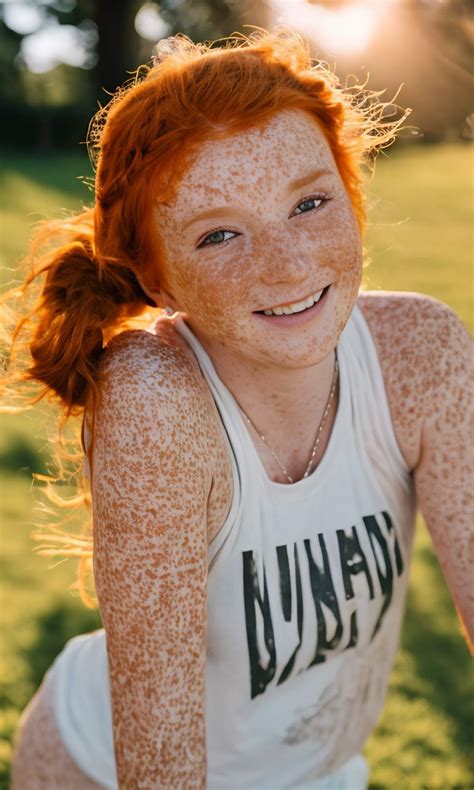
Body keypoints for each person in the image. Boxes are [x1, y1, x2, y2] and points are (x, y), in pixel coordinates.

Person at [8, 27, 472, 790]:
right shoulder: (155, 402)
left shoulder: (421, 355)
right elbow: (162, 772)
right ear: (157, 282)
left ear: (352, 197)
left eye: (310, 203)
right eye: (219, 234)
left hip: (320, 772)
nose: (289, 265)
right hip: (99, 771)